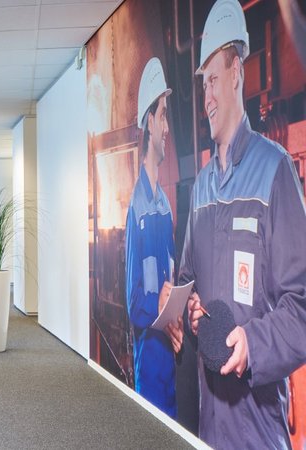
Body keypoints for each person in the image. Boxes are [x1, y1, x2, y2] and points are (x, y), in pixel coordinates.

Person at [179, 0, 306, 447]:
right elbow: (187, 281)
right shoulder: (199, 191)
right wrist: (188, 310)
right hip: (209, 419)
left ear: (237, 73)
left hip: (258, 421)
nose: (207, 96)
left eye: (213, 79)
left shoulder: (275, 173)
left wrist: (255, 342)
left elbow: (302, 304)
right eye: (203, 84)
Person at [125, 57, 177, 418]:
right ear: (149, 122)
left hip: (172, 358)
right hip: (151, 364)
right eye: (162, 117)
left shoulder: (165, 205)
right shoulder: (138, 209)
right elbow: (134, 302)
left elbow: (169, 281)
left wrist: (175, 312)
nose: (167, 128)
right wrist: (158, 305)